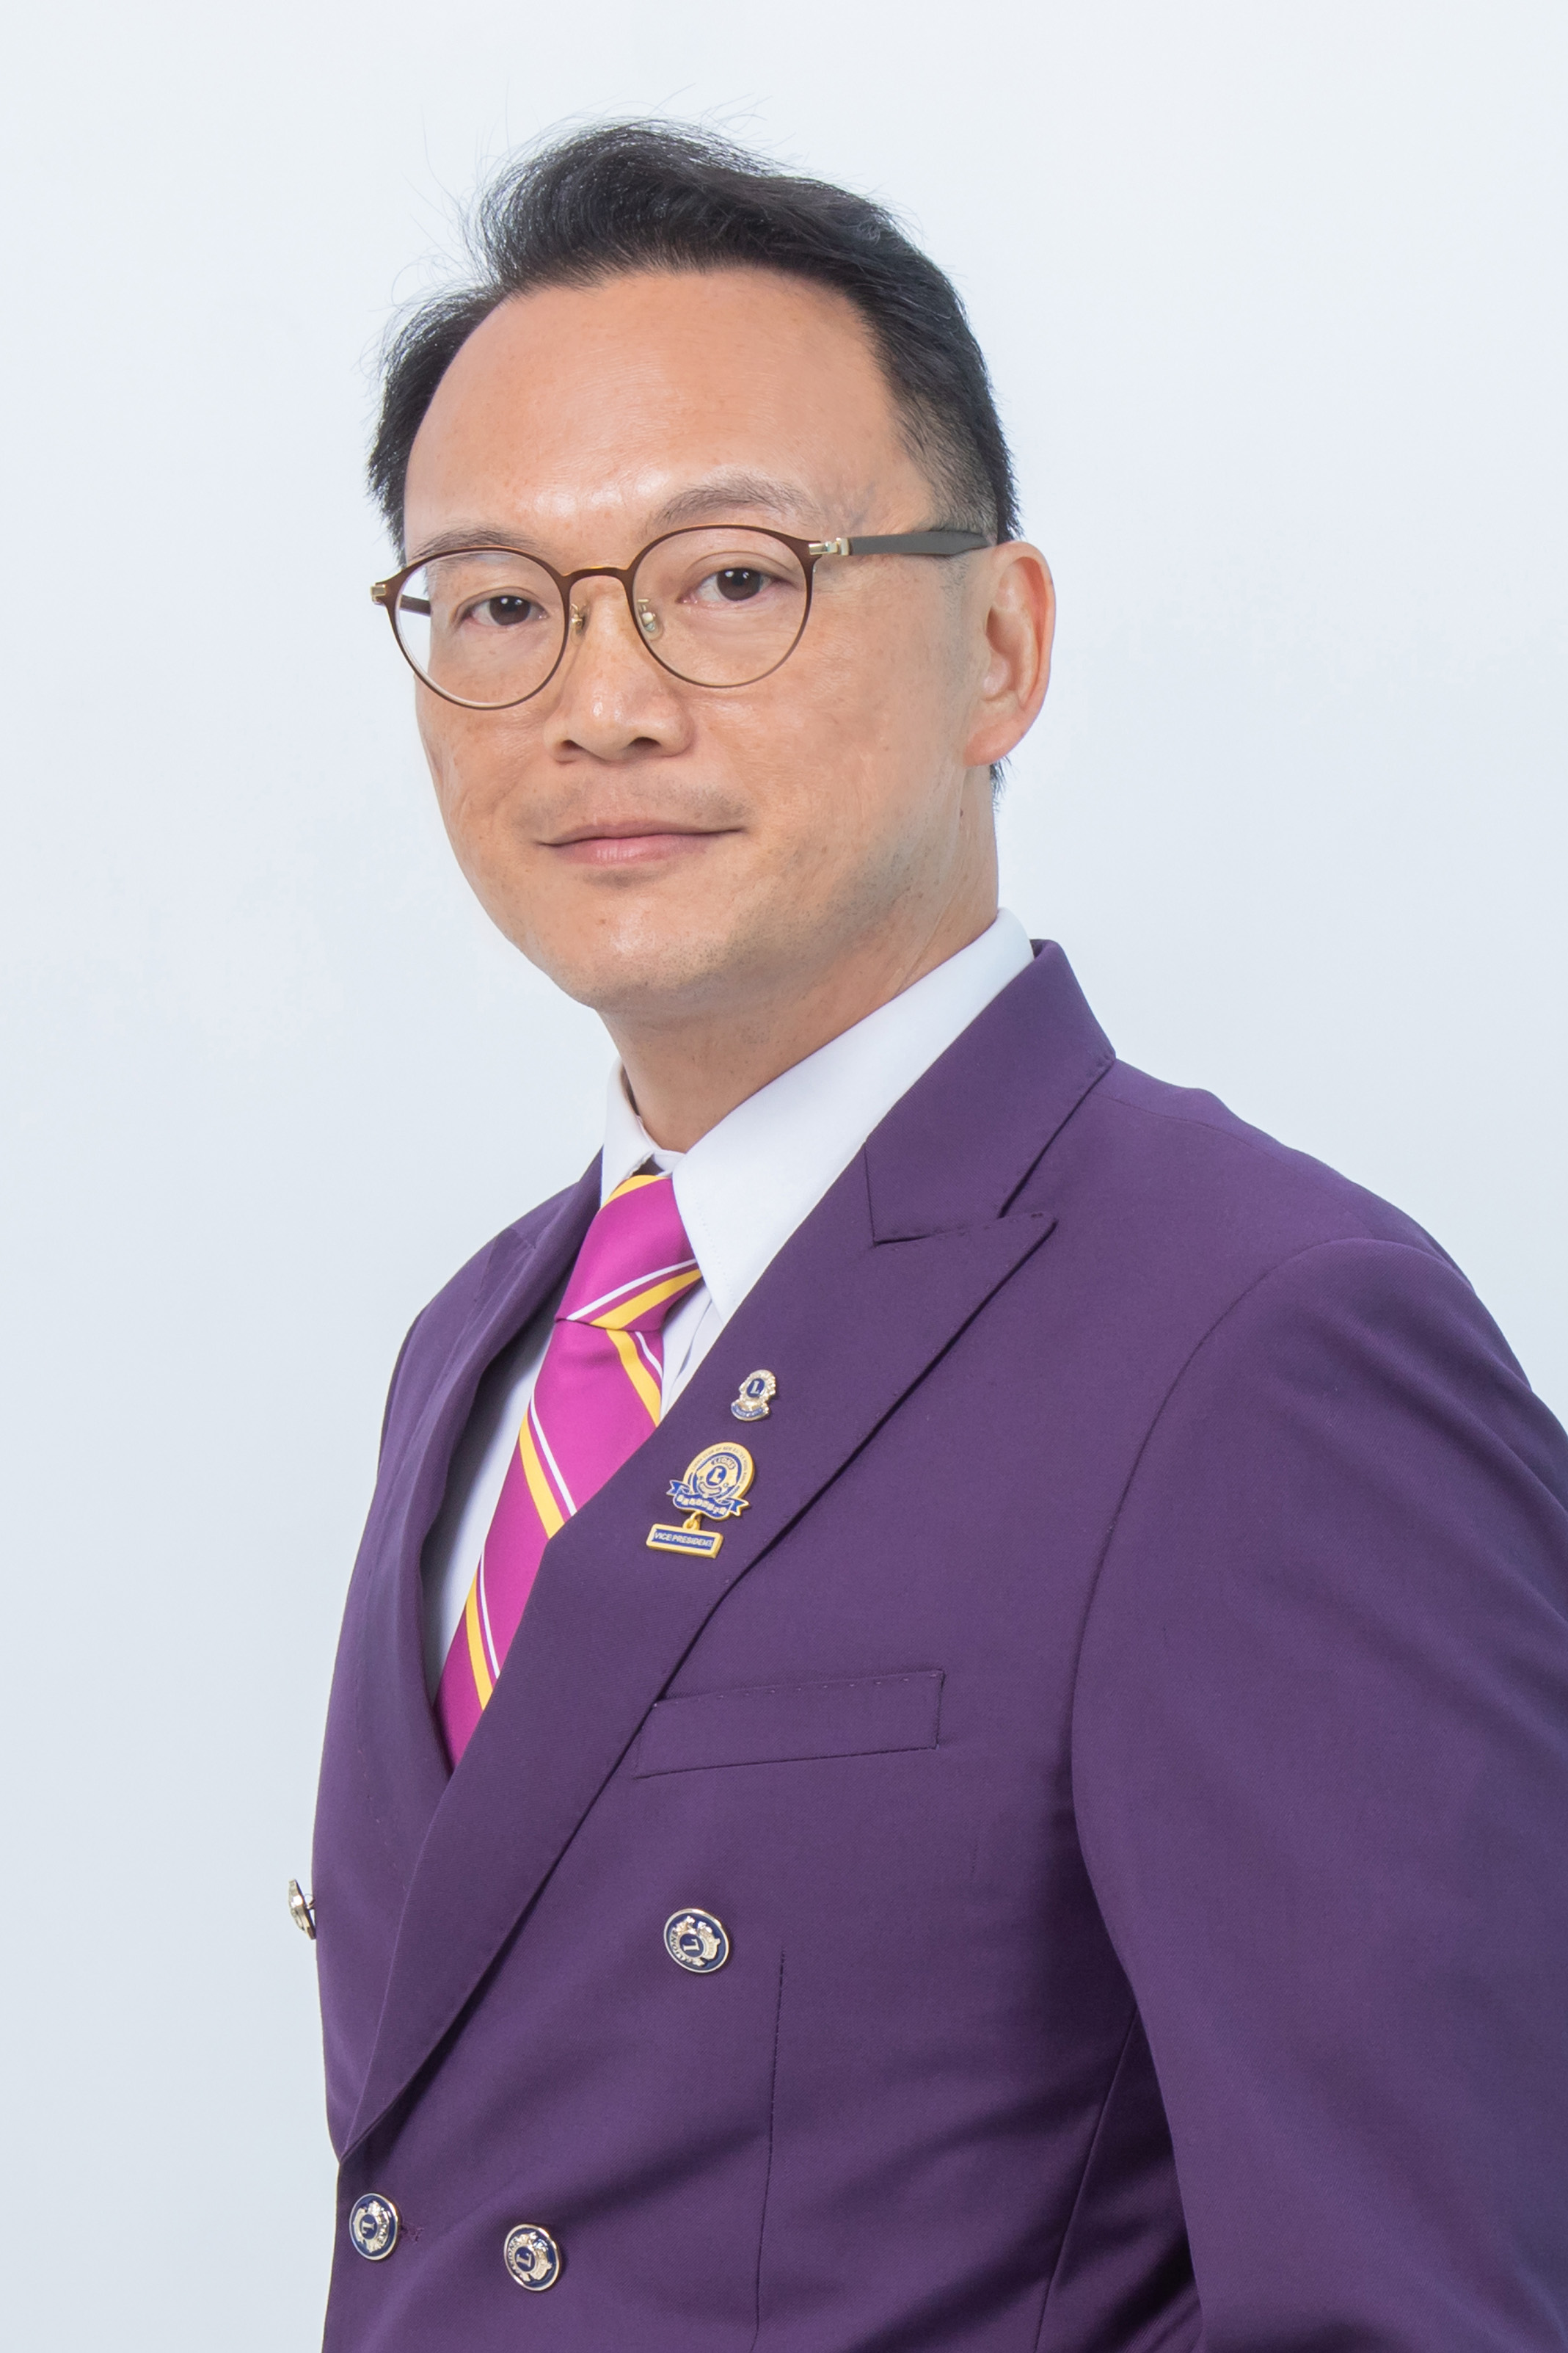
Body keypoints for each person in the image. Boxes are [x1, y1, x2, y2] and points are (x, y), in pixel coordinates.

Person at [306, 122, 1568, 2351]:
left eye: (729, 579)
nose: (601, 698)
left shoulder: (1259, 1344)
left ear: (998, 643)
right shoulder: (480, 1346)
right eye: (497, 603)